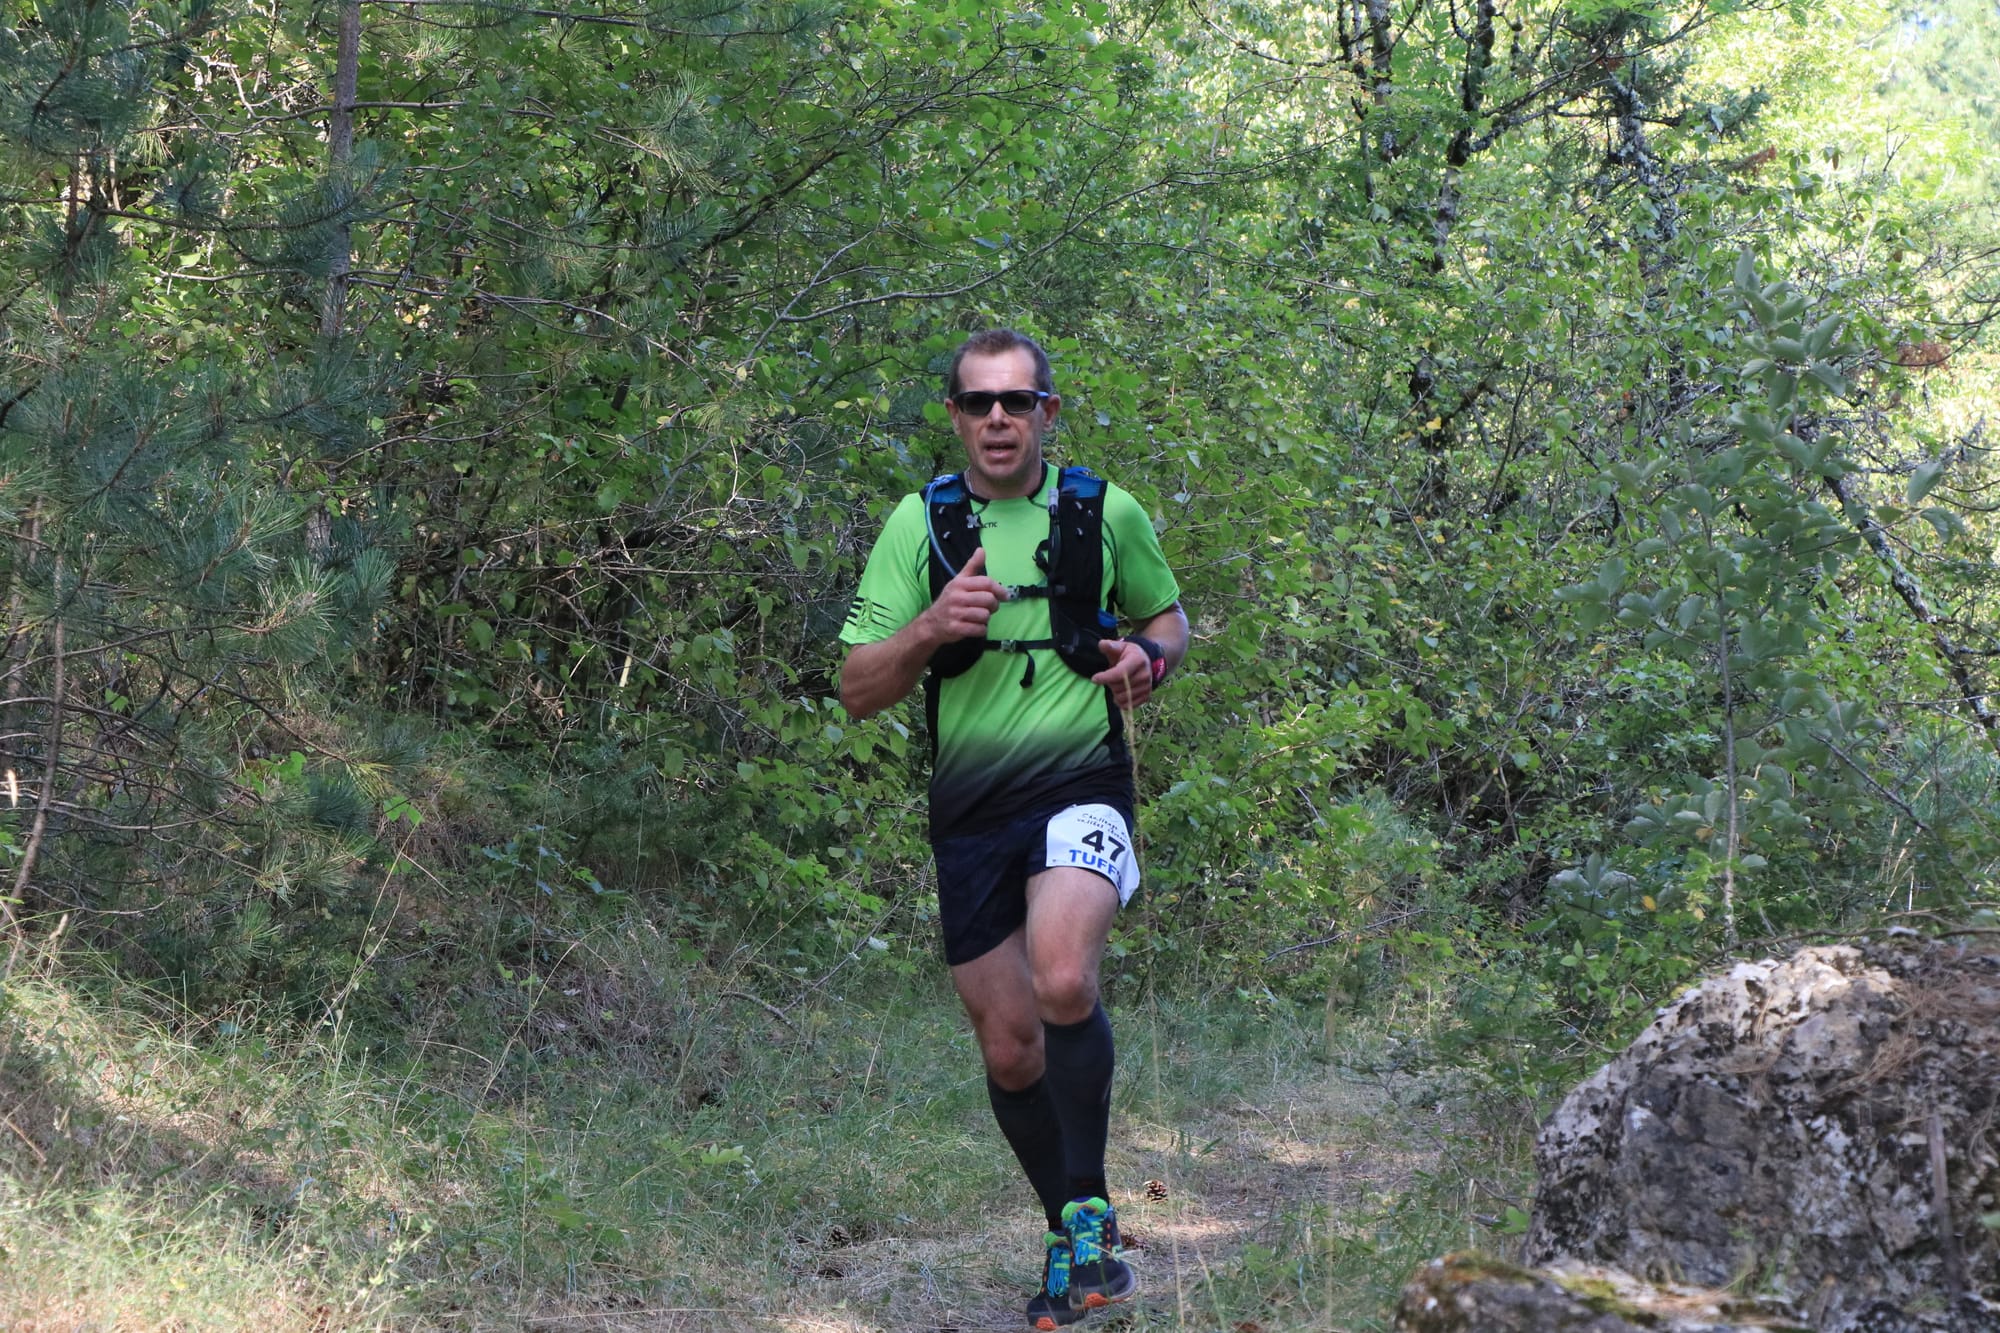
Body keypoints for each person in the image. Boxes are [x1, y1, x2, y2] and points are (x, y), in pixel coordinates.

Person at [839, 328, 1189, 1329]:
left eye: (1017, 402)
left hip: (1081, 778)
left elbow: (1166, 623)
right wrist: (926, 627)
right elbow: (858, 689)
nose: (998, 418)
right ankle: (1068, 1226)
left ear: (1047, 413)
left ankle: (1085, 1215)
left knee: (1063, 976)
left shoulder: (1101, 510)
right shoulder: (921, 525)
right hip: (970, 807)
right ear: (953, 415)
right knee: (1008, 1049)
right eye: (978, 402)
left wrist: (1146, 664)